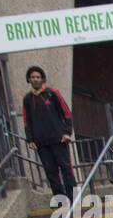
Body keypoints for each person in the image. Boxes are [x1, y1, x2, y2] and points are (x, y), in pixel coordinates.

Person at [21, 65, 75, 202]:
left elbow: (66, 113)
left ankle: (74, 197)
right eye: (32, 77)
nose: (35, 80)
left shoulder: (53, 93)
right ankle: (60, 200)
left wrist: (67, 132)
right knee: (51, 172)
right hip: (42, 142)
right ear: (29, 79)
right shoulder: (27, 99)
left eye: (38, 77)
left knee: (66, 169)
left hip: (59, 139)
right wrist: (30, 140)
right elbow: (27, 121)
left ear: (42, 79)